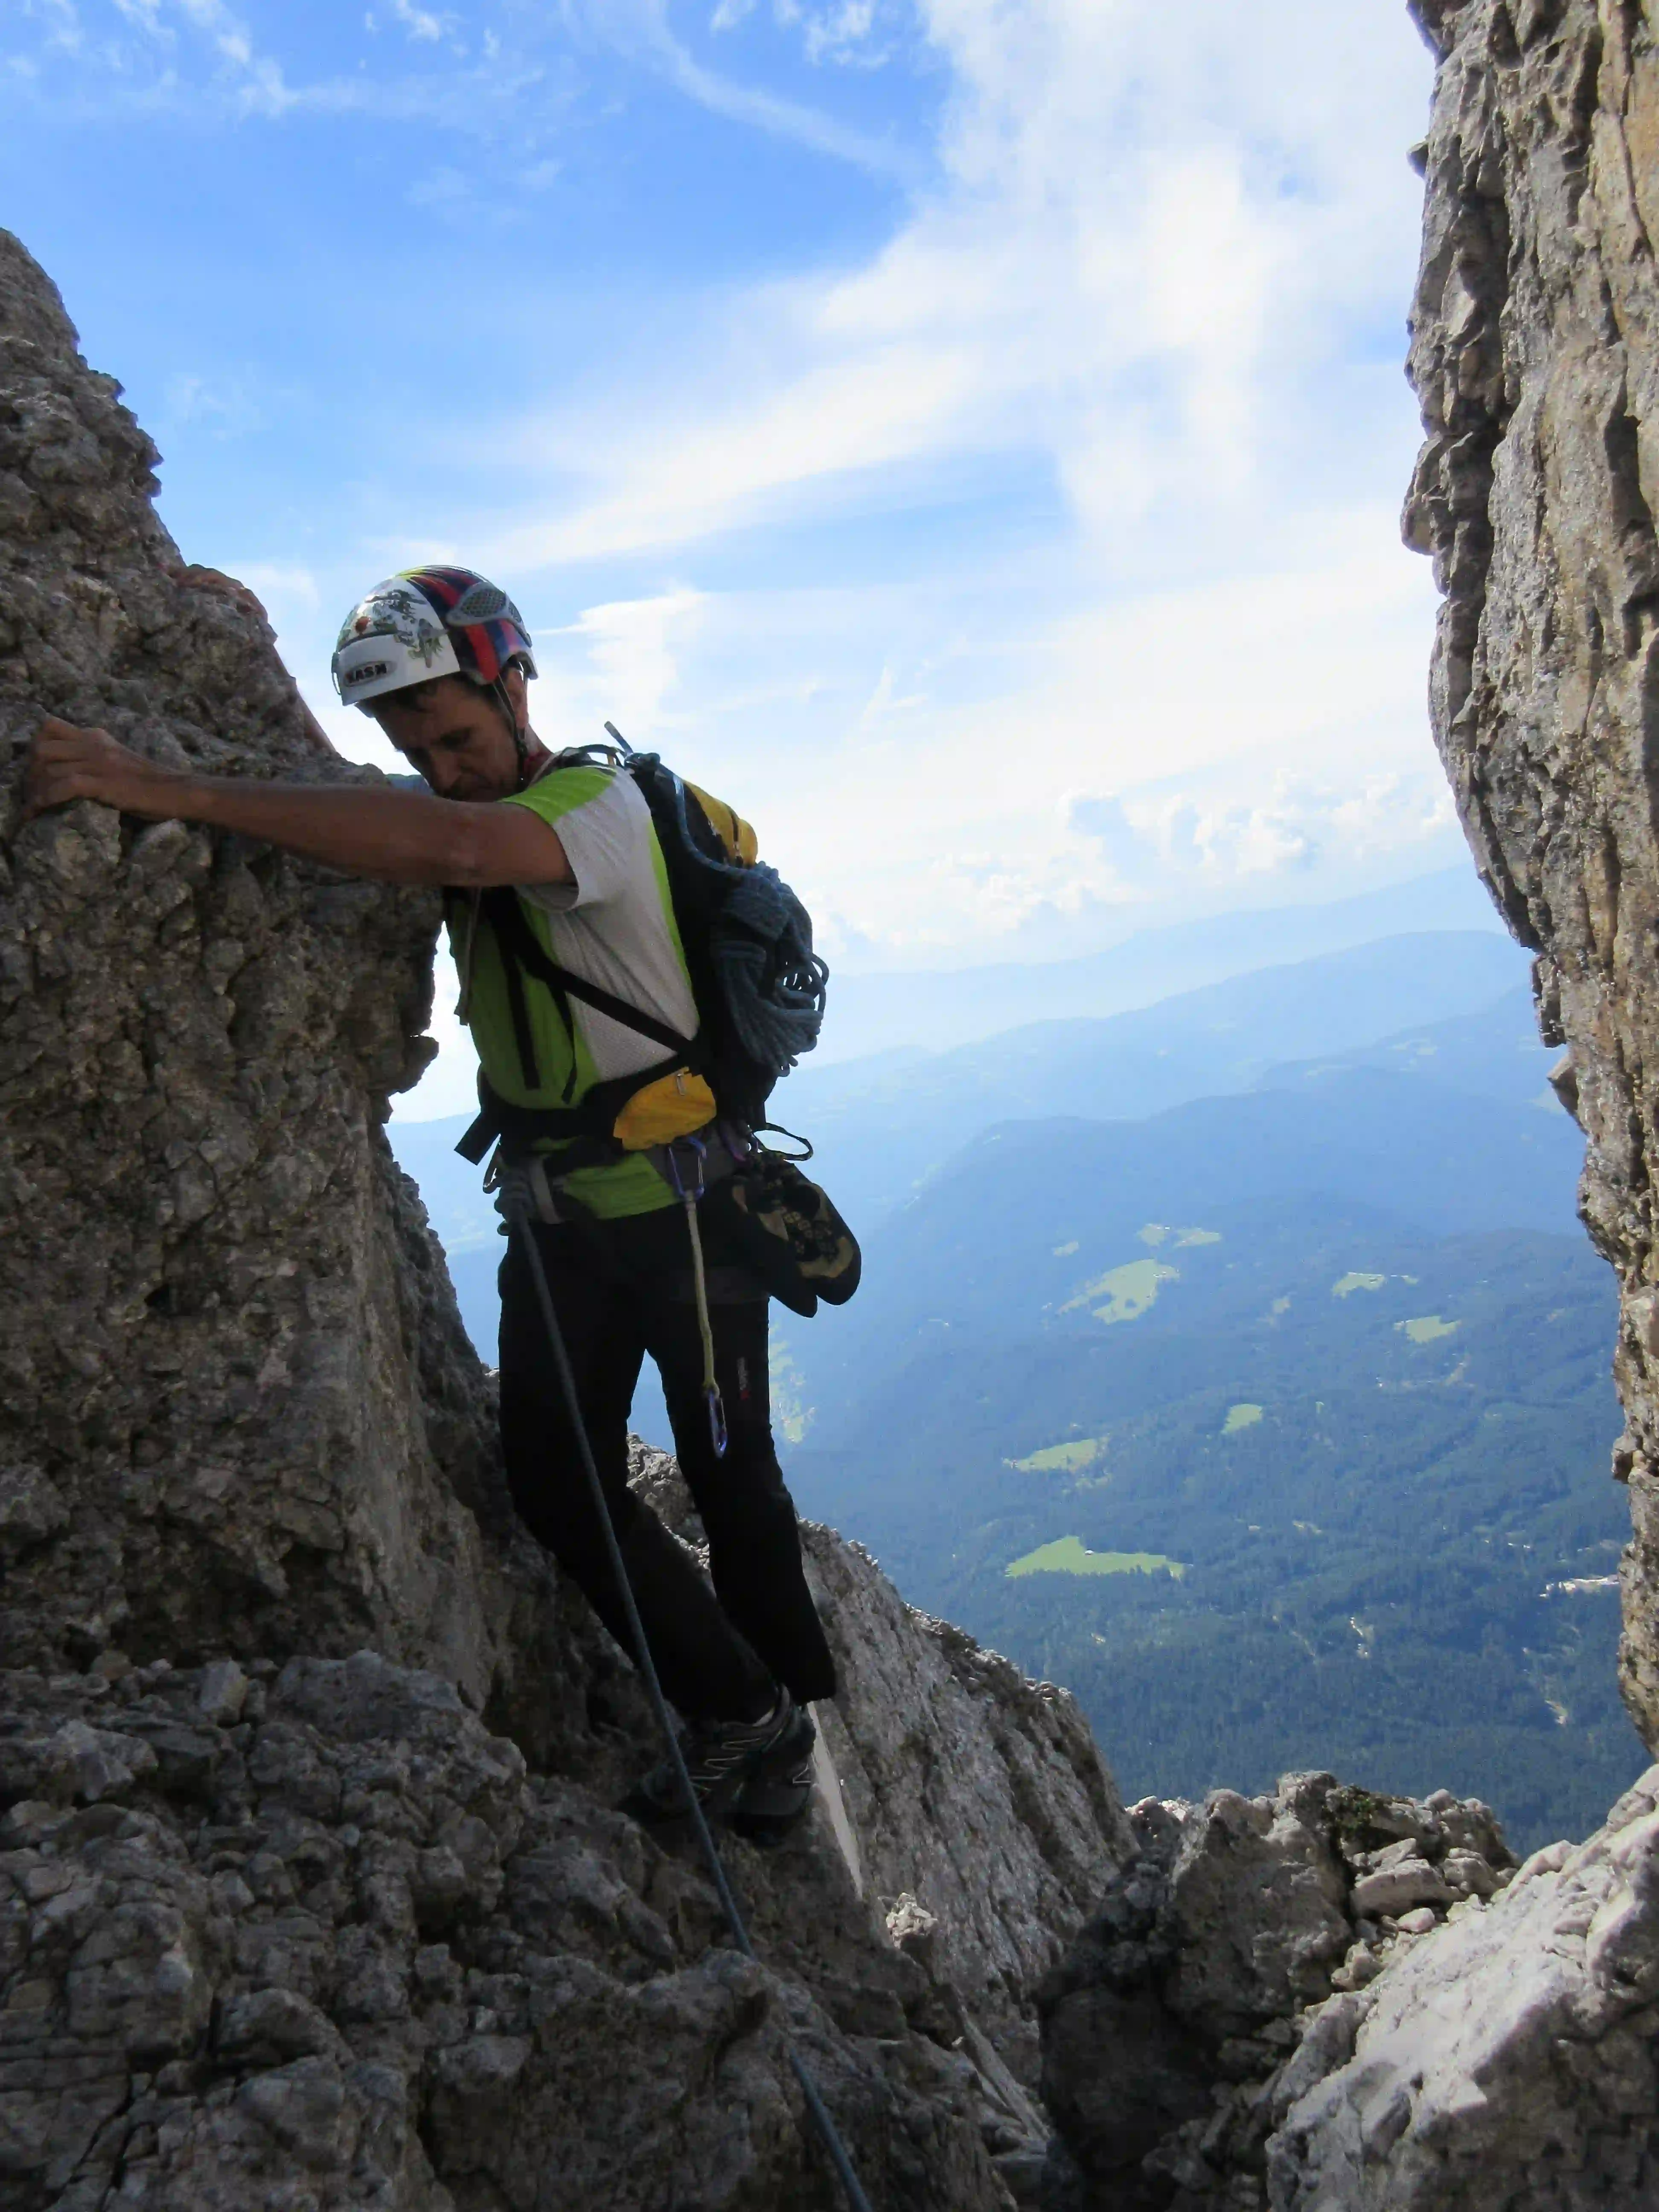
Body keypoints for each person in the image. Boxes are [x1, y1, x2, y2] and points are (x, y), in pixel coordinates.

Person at [24, 564, 836, 1829]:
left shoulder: (595, 806)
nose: (442, 767)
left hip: (686, 1225)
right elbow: (399, 819)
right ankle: (746, 1712)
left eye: (455, 734)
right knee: (558, 1488)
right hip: (564, 1226)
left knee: (734, 1480)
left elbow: (457, 842)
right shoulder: (481, 800)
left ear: (516, 684)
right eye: (413, 745)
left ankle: (783, 1724)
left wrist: (157, 785)